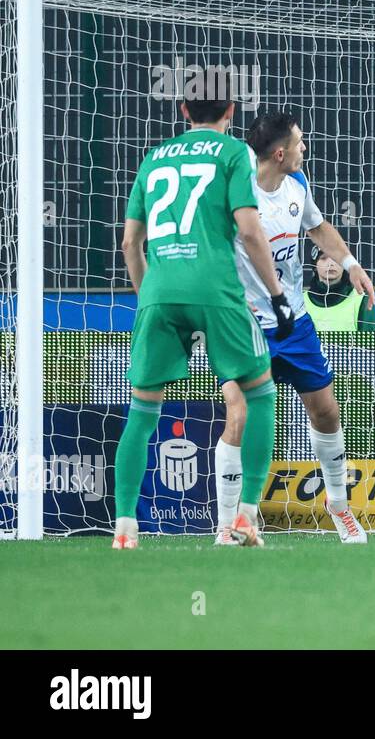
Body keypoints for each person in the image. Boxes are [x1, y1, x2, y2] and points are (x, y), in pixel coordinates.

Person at [115, 83, 292, 549]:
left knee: (143, 409)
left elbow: (130, 244)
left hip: (159, 289)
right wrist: (277, 295)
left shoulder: (154, 157)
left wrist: (149, 297)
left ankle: (125, 527)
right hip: (214, 287)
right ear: (231, 110)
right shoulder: (233, 152)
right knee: (259, 394)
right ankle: (246, 517)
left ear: (183, 110)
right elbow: (251, 232)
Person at [216, 110, 375, 545]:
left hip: (294, 323)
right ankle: (228, 523)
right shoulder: (234, 188)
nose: (306, 148)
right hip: (244, 323)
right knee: (239, 414)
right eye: (300, 143)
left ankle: (338, 507)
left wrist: (351, 264)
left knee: (325, 410)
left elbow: (319, 228)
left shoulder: (296, 186)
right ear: (281, 152)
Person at [305, 252, 375, 331]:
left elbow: (370, 341)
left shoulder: (361, 300)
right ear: (315, 266)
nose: (331, 263)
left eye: (336, 258)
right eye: (323, 258)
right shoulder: (300, 301)